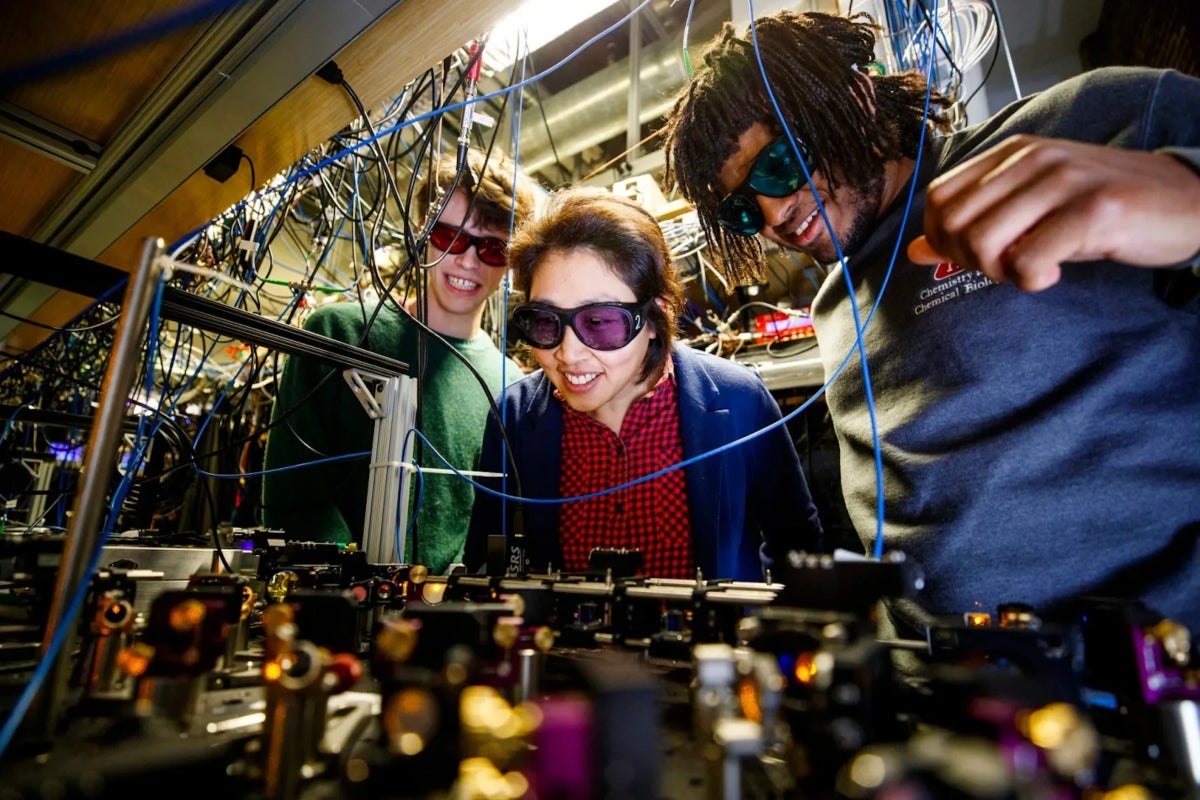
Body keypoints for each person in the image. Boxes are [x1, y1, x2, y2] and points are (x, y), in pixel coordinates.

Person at [661, 11, 1200, 628]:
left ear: (856, 99)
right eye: (742, 210)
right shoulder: (833, 310)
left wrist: (1187, 193)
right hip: (942, 697)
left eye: (780, 164)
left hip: (1147, 684)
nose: (775, 212)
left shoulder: (1074, 130)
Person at [464, 188, 823, 582]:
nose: (568, 354)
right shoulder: (513, 416)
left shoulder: (741, 399)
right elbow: (487, 559)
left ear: (656, 317)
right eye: (546, 321)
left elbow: (798, 548)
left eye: (599, 322)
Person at [262, 149, 540, 573]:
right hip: (334, 609)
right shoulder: (339, 334)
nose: (468, 261)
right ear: (421, 233)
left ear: (512, 262)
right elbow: (292, 495)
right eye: (450, 237)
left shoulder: (509, 384)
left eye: (492, 249)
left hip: (451, 619)